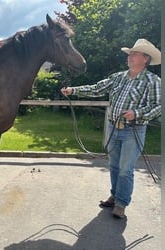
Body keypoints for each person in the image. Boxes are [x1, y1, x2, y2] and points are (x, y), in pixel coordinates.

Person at [61, 38, 161, 219]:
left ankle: (121, 204)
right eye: (129, 54)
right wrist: (73, 90)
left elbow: (158, 106)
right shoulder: (119, 77)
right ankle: (115, 196)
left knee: (125, 169)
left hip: (133, 130)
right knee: (114, 166)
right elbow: (97, 88)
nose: (129, 57)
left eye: (134, 54)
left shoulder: (153, 81)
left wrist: (137, 113)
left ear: (145, 58)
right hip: (113, 127)